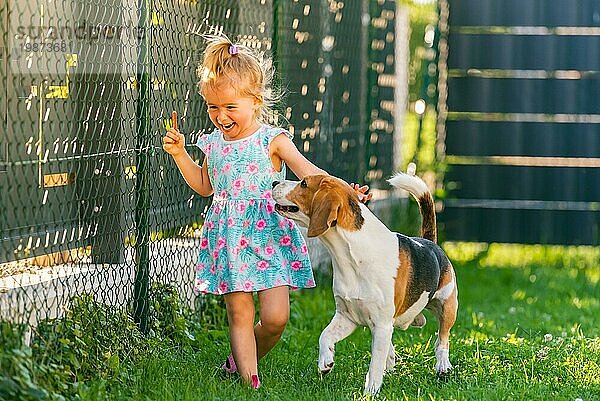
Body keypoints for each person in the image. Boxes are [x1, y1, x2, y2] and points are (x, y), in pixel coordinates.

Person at [162, 34, 370, 389]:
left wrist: (346, 191)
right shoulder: (212, 143)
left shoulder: (272, 140)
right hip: (229, 234)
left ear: (254, 101)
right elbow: (205, 186)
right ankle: (249, 382)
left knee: (275, 318)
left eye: (230, 107)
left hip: (269, 233)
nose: (220, 116)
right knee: (239, 312)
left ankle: (238, 362)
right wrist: (181, 154)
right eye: (213, 107)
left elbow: (310, 173)